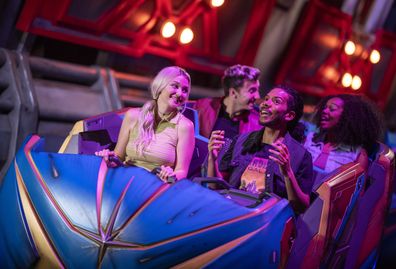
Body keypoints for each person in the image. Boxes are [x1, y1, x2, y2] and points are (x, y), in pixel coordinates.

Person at [208, 86, 313, 213]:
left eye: (276, 101)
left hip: (265, 223)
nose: (265, 104)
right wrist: (212, 159)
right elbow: (214, 186)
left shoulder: (301, 156)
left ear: (289, 115)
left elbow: (301, 207)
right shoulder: (241, 141)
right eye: (266, 99)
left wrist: (287, 173)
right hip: (230, 213)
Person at [96, 66, 195, 182]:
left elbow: (182, 171)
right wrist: (107, 157)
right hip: (125, 181)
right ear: (161, 85)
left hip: (155, 187)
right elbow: (118, 156)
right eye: (175, 86)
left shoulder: (185, 126)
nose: (180, 93)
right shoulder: (132, 116)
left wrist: (172, 175)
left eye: (185, 90)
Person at [304, 94, 384, 187]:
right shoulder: (310, 139)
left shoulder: (357, 155)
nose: (324, 111)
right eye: (324, 107)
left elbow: (356, 194)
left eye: (332, 109)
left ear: (348, 116)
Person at [192, 64, 262, 140]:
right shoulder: (202, 107)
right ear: (233, 93)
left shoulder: (258, 121)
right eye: (252, 91)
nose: (257, 96)